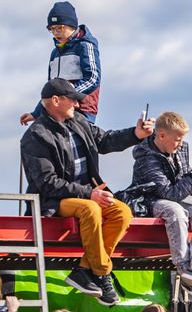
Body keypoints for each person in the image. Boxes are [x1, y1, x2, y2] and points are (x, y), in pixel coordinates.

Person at [20, 78, 155, 306]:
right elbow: (47, 183)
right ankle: (102, 273)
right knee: (91, 208)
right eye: (72, 99)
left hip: (86, 195)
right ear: (55, 101)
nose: (77, 104)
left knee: (122, 212)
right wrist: (89, 193)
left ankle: (84, 269)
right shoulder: (35, 136)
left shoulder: (78, 121)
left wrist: (136, 134)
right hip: (53, 200)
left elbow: (105, 140)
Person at [117, 112, 192, 295]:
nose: (180, 144)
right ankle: (184, 269)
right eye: (177, 140)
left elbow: (181, 184)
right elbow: (169, 194)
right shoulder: (146, 157)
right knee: (175, 211)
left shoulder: (181, 148)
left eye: (182, 139)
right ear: (161, 136)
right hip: (148, 200)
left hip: (174, 196)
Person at [20, 1, 101, 125]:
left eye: (60, 27)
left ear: (72, 26)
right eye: (52, 29)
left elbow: (93, 78)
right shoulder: (54, 53)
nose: (56, 32)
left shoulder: (85, 45)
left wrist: (68, 94)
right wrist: (36, 113)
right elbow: (52, 89)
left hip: (81, 111)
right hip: (58, 111)